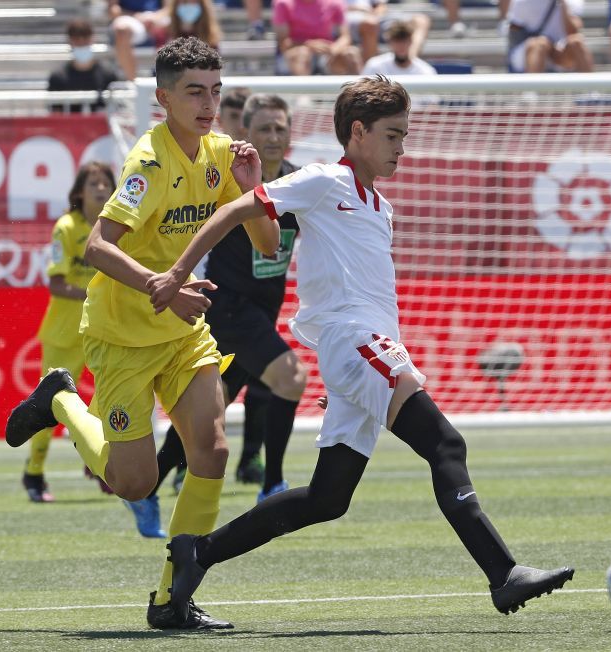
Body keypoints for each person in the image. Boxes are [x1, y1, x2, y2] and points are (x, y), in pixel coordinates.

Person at [146, 75, 575, 626]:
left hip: (362, 353)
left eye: (404, 135)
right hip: (357, 345)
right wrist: (179, 271)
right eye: (393, 135)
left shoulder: (380, 207)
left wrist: (352, 379)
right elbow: (235, 212)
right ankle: (503, 574)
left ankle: (197, 552)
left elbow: (313, 260)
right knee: (446, 444)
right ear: (358, 132)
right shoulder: (326, 180)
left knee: (329, 499)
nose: (402, 147)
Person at [5, 36, 281, 630]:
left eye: (215, 91)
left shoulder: (219, 154)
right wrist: (165, 286)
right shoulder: (147, 163)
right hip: (123, 335)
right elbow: (98, 246)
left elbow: (267, 249)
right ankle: (59, 396)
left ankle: (171, 597)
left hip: (181, 332)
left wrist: (254, 186)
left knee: (212, 450)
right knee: (135, 483)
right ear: (162, 99)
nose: (208, 104)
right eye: (193, 93)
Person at [157, 93, 307, 514]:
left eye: (280, 128)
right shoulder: (228, 180)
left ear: (291, 133)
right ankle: (273, 482)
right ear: (245, 132)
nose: (273, 137)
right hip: (226, 308)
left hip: (261, 313)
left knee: (209, 410)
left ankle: (149, 485)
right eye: (264, 128)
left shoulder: (299, 183)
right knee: (291, 379)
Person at [22, 162, 116, 503]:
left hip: (106, 328)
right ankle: (34, 472)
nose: (102, 189)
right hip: (66, 332)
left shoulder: (117, 227)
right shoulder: (66, 227)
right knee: (52, 405)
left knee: (111, 399)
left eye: (106, 182)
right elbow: (56, 283)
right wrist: (93, 292)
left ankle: (101, 463)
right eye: (94, 183)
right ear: (79, 192)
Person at [272, 0, 362, 76]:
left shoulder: (334, 2)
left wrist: (334, 50)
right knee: (302, 54)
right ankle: (303, 96)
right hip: (296, 54)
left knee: (351, 53)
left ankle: (360, 95)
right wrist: (309, 45)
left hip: (328, 54)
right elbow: (283, 42)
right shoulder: (283, 3)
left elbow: (345, 37)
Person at [49, 19, 120, 113]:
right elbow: (55, 113)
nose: (81, 43)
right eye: (77, 40)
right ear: (69, 41)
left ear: (92, 39)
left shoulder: (108, 75)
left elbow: (117, 109)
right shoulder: (58, 77)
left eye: (85, 39)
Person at [506, 0, 593, 74]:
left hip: (559, 52)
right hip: (530, 50)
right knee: (540, 44)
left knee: (577, 41)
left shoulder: (572, 1)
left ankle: (591, 92)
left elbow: (573, 31)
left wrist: (563, 4)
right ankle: (532, 92)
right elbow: (514, 30)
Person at [345, 0, 431, 63]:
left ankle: (410, 61)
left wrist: (374, 14)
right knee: (370, 24)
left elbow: (381, 6)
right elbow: (335, 10)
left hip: (374, 17)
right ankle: (370, 75)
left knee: (420, 20)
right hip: (347, 19)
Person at [362, 20, 437, 76]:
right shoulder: (375, 66)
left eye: (404, 40)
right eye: (397, 40)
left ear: (411, 41)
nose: (401, 45)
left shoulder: (425, 71)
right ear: (390, 42)